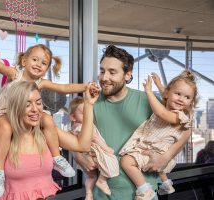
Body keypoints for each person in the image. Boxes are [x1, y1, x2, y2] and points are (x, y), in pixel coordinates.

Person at [0, 44, 99, 200]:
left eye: (38, 102)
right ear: (24, 61)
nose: (35, 109)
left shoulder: (43, 126)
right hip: (2, 111)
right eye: (27, 103)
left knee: (48, 119)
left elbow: (64, 88)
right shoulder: (3, 125)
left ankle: (58, 158)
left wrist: (87, 94)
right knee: (5, 126)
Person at [73, 45, 192, 200]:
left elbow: (185, 129)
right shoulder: (91, 101)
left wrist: (166, 156)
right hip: (102, 195)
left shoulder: (149, 102)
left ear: (127, 75)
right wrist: (78, 156)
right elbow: (75, 134)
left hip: (144, 195)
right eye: (102, 71)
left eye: (112, 72)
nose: (104, 77)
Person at [119, 70, 198, 199]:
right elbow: (166, 95)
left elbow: (161, 113)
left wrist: (149, 92)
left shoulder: (179, 116)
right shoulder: (169, 105)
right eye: (178, 94)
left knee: (126, 161)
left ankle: (145, 190)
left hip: (155, 151)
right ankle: (166, 183)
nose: (181, 99)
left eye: (187, 97)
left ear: (191, 102)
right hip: (155, 147)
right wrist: (159, 84)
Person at [69, 96, 119, 199]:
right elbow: (95, 138)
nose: (88, 116)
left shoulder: (74, 127)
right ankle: (102, 180)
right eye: (84, 114)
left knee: (91, 177)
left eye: (89, 112)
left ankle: (88, 194)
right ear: (73, 117)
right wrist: (106, 148)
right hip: (94, 152)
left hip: (86, 154)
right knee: (112, 159)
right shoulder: (83, 127)